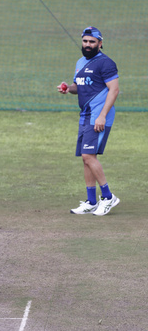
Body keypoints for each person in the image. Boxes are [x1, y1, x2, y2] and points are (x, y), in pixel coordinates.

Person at [58, 26, 120, 216]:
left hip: (98, 115)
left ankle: (109, 197)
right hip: (85, 115)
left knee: (88, 156)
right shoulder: (80, 62)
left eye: (92, 42)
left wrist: (102, 115)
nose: (87, 45)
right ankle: (91, 201)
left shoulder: (106, 63)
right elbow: (80, 86)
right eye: (85, 41)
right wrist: (68, 88)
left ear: (100, 44)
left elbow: (114, 89)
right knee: (85, 159)